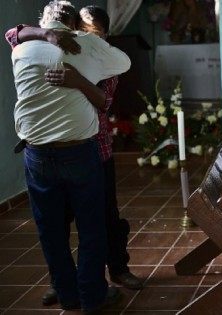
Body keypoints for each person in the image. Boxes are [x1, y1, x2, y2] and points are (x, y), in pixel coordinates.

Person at [5, 5, 143, 305]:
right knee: (89, 229)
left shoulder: (21, 50)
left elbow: (12, 35)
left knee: (56, 229)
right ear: (72, 24)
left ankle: (73, 293)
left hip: (46, 152)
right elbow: (124, 62)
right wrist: (68, 44)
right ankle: (89, 295)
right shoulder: (90, 47)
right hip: (78, 150)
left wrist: (76, 76)